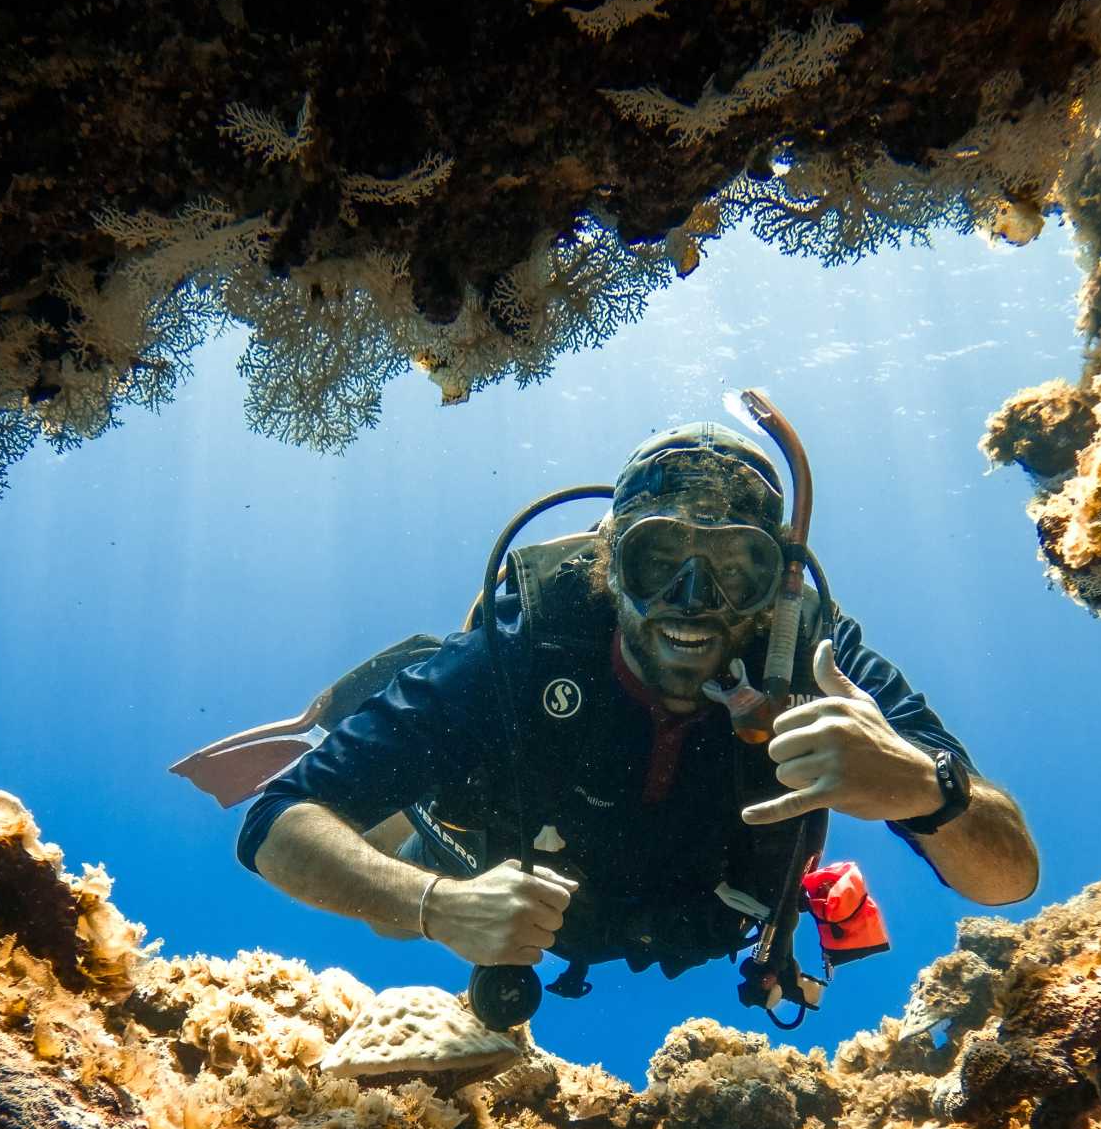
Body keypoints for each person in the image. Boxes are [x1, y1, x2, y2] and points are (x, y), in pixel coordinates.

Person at [237, 421, 1037, 1013]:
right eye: (659, 562)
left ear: (777, 585)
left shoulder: (819, 663)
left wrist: (929, 788)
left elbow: (1010, 878)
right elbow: (275, 822)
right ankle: (379, 735)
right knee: (394, 917)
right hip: (498, 870)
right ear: (607, 565)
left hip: (700, 913)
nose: (692, 605)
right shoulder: (527, 647)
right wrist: (435, 904)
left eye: (734, 568)